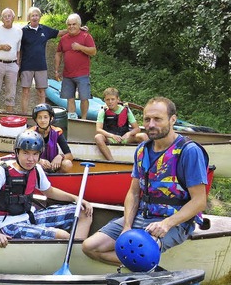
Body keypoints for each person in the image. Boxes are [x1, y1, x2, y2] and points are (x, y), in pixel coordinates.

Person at [82, 97, 209, 265]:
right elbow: (134, 193)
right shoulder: (142, 149)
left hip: (174, 220)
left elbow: (200, 201)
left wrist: (166, 224)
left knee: (140, 252)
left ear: (172, 119)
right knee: (89, 246)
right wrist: (127, 226)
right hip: (142, 215)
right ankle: (138, 264)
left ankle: (143, 264)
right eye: (147, 119)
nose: (151, 125)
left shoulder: (189, 151)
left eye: (158, 119)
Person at [0, 131, 93, 248]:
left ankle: (78, 251)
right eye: (26, 153)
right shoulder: (1, 171)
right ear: (17, 152)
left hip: (29, 216)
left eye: (35, 154)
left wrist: (76, 198)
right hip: (6, 225)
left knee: (83, 211)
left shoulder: (36, 168)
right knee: (62, 236)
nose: (31, 159)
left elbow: (49, 191)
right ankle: (76, 252)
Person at [20, 7, 86, 114]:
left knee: (42, 93)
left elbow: (60, 32)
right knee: (25, 92)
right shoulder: (23, 31)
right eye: (32, 15)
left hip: (41, 66)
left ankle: (41, 115)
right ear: (29, 17)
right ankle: (24, 116)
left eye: (37, 15)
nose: (35, 17)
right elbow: (18, 49)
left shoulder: (44, 29)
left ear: (40, 17)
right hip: (26, 66)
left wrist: (77, 29)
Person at [54, 13, 96, 120]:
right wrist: (56, 70)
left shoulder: (86, 36)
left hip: (82, 74)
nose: (71, 27)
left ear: (79, 25)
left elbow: (93, 51)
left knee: (84, 98)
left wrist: (80, 47)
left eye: (74, 24)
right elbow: (58, 53)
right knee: (70, 98)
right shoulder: (64, 39)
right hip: (67, 74)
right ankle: (72, 118)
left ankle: (84, 119)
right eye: (69, 24)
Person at [95, 88, 148, 161]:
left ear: (118, 99)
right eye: (108, 99)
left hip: (125, 137)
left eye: (113, 99)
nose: (110, 102)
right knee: (98, 137)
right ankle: (111, 161)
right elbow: (98, 129)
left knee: (143, 136)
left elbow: (137, 128)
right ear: (105, 100)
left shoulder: (126, 110)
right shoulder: (103, 111)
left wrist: (128, 134)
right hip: (110, 138)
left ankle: (145, 160)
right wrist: (112, 136)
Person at [28, 103, 73, 173]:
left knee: (67, 164)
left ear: (51, 118)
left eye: (45, 117)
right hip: (36, 166)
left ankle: (55, 178)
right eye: (39, 117)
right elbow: (24, 155)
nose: (43, 120)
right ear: (36, 120)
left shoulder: (57, 132)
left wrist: (60, 157)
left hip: (53, 166)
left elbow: (69, 155)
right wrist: (39, 161)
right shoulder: (30, 133)